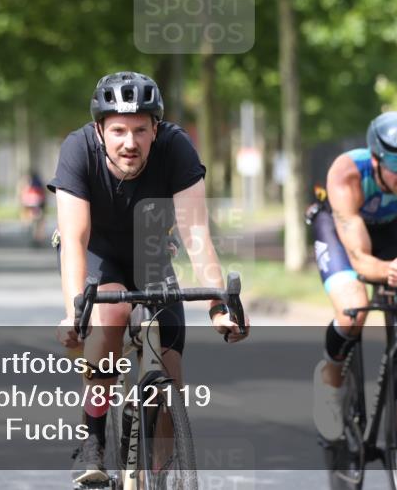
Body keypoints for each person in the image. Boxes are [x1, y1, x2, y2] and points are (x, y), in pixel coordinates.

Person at [49, 71, 248, 485]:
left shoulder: (176, 148)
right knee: (113, 311)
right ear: (100, 130)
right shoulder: (77, 150)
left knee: (170, 371)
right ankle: (94, 438)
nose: (130, 142)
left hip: (152, 252)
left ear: (156, 129)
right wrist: (74, 313)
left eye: (141, 129)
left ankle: (159, 472)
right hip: (98, 252)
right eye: (118, 130)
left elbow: (195, 234)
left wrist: (217, 306)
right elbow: (74, 238)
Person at [309, 111, 397, 488]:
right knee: (354, 311)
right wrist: (385, 273)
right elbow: (359, 259)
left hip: (389, 232)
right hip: (342, 233)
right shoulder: (348, 173)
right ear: (375, 160)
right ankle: (331, 382)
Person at [19, 171, 47, 245]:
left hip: (30, 203)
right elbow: (43, 195)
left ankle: (27, 225)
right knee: (39, 221)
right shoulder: (39, 183)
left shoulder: (27, 184)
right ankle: (39, 237)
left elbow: (23, 195)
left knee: (33, 219)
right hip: (38, 203)